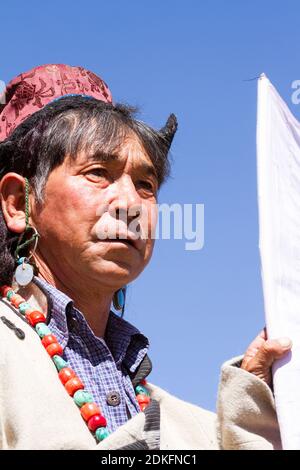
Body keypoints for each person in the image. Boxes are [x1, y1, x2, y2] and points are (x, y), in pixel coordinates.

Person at [0, 64, 291, 450]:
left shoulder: (163, 414)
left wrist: (256, 392)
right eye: (98, 172)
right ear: (20, 203)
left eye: (145, 184)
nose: (130, 204)